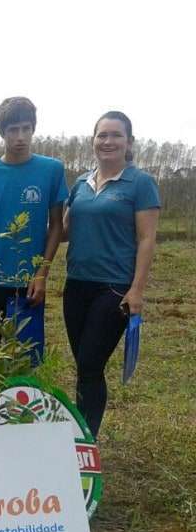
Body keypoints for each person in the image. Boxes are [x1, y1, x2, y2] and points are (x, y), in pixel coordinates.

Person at [63, 111, 160, 437]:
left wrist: (137, 290)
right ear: (93, 140)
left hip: (114, 288)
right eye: (102, 135)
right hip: (75, 285)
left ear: (128, 142)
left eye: (115, 135)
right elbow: (65, 228)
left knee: (91, 364)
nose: (108, 141)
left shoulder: (140, 183)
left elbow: (147, 238)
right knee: (83, 366)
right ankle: (80, 434)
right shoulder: (80, 183)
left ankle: (85, 443)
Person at [0, 97, 68, 316]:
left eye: (26, 129)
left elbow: (57, 225)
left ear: (33, 129)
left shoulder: (52, 170)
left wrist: (42, 274)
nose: (20, 137)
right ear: (2, 132)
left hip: (29, 282)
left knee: (25, 350)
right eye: (13, 130)